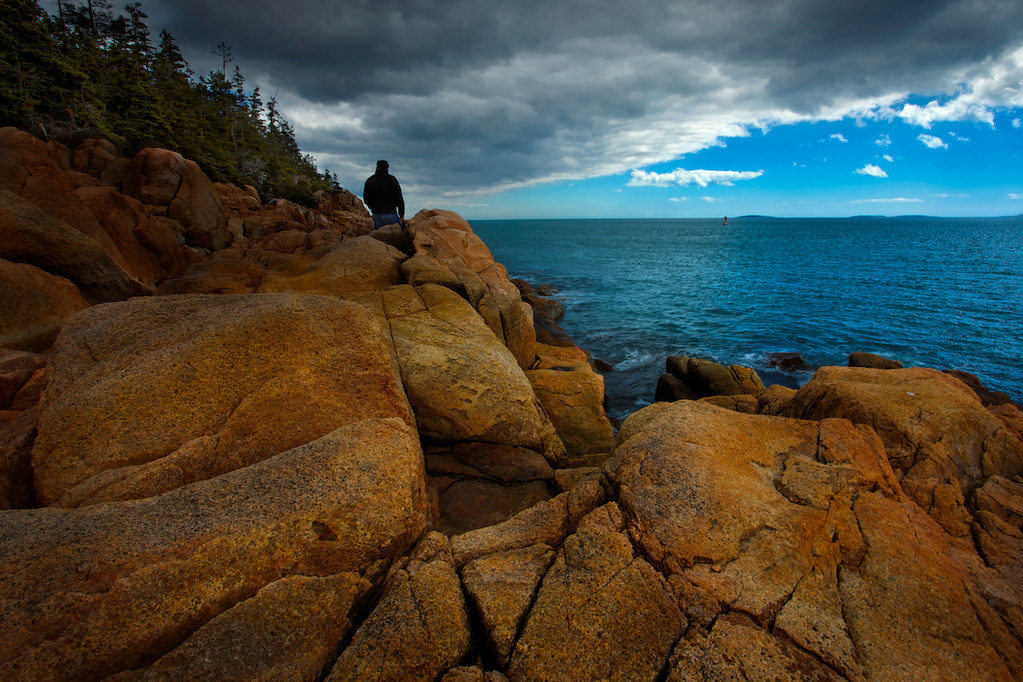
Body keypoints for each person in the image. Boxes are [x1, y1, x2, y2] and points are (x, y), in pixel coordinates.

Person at [363, 160, 405, 229]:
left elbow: (366, 199)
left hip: (376, 214)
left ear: (377, 167)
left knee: (378, 237)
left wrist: (373, 208)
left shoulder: (370, 180)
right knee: (397, 236)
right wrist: (401, 214)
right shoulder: (392, 179)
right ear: (387, 168)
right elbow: (399, 197)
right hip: (391, 213)